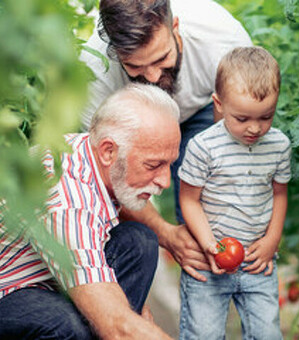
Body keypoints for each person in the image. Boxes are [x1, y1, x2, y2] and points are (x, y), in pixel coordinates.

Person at [0, 84, 190, 339]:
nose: (165, 181)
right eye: (153, 165)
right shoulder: (68, 202)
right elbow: (118, 326)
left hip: (46, 277)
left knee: (139, 240)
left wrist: (135, 315)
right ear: (108, 151)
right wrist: (125, 325)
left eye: (169, 164)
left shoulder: (91, 153)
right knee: (64, 325)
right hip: (8, 289)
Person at [79, 0, 253, 224]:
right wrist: (166, 233)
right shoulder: (93, 72)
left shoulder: (225, 42)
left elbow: (230, 148)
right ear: (113, 51)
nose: (151, 76)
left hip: (202, 110)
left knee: (211, 200)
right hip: (133, 124)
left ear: (175, 28)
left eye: (161, 58)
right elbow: (107, 175)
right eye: (134, 66)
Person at [178, 47, 291, 339]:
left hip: (258, 261)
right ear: (218, 104)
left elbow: (279, 194)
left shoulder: (279, 145)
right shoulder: (202, 147)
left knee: (267, 334)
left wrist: (271, 240)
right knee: (203, 333)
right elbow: (189, 200)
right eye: (242, 119)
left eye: (266, 117)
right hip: (209, 263)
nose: (255, 128)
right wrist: (208, 245)